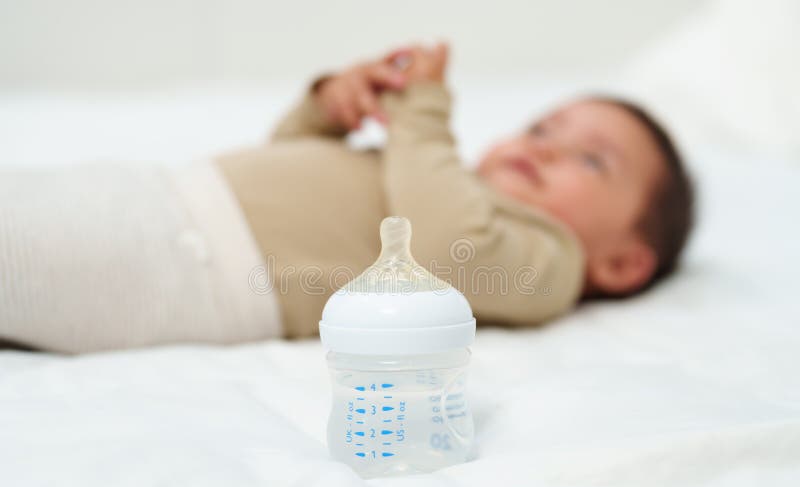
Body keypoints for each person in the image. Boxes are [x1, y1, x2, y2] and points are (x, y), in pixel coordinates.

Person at [216, 42, 694, 338]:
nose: (544, 149)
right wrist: (327, 109)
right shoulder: (435, 177)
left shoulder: (552, 263)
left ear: (622, 264)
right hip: (196, 197)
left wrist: (421, 116)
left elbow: (448, 252)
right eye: (542, 129)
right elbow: (286, 164)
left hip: (214, 268)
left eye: (592, 159)